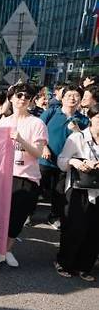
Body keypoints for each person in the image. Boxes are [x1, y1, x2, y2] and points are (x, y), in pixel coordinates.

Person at [0, 85, 48, 267]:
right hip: (4, 176)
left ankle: (7, 250)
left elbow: (38, 153)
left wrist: (20, 139)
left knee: (18, 217)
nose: (23, 98)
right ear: (11, 98)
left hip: (27, 177)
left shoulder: (37, 123)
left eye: (27, 96)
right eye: (19, 95)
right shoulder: (2, 123)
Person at [55, 103, 99, 280]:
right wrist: (76, 162)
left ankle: (84, 267)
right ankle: (64, 262)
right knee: (75, 228)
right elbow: (62, 160)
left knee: (94, 230)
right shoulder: (77, 137)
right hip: (78, 188)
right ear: (91, 118)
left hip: (98, 190)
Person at [39, 85, 89, 229]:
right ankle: (28, 213)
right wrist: (44, 147)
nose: (72, 98)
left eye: (76, 96)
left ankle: (54, 216)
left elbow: (87, 141)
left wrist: (77, 129)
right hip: (45, 159)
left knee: (59, 191)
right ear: (63, 98)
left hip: (66, 162)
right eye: (69, 96)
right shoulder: (51, 112)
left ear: (80, 100)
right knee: (37, 188)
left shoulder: (84, 120)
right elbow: (38, 130)